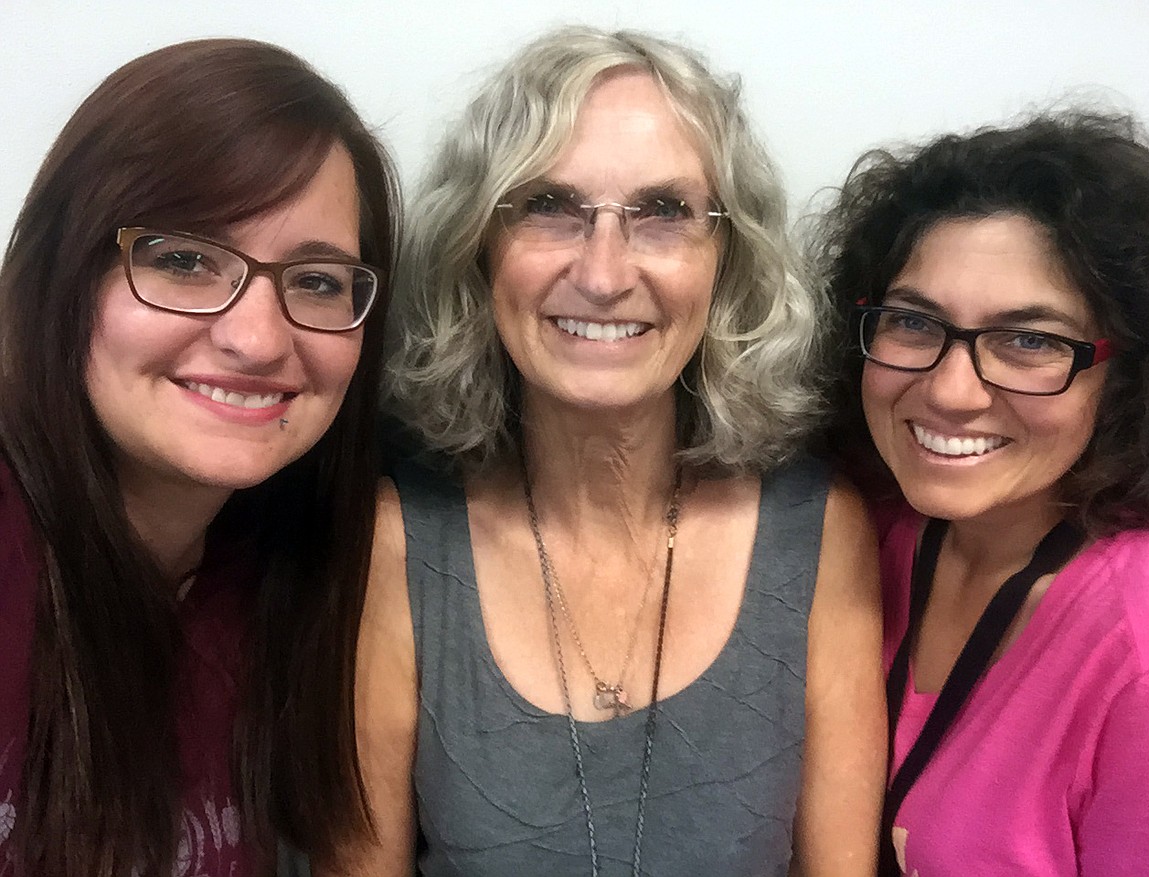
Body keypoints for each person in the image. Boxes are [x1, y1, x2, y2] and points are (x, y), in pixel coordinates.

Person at [344, 26, 885, 877]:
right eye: (550, 206)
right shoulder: (398, 543)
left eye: (664, 212)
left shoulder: (818, 535)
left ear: (727, 259)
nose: (603, 273)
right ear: (480, 247)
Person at [0, 39, 400, 877]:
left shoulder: (298, 580)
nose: (256, 338)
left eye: (319, 281)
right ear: (63, 275)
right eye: (183, 260)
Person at [817, 111, 1149, 875]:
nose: (951, 392)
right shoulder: (865, 533)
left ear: (1131, 373)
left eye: (1031, 340)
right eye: (914, 322)